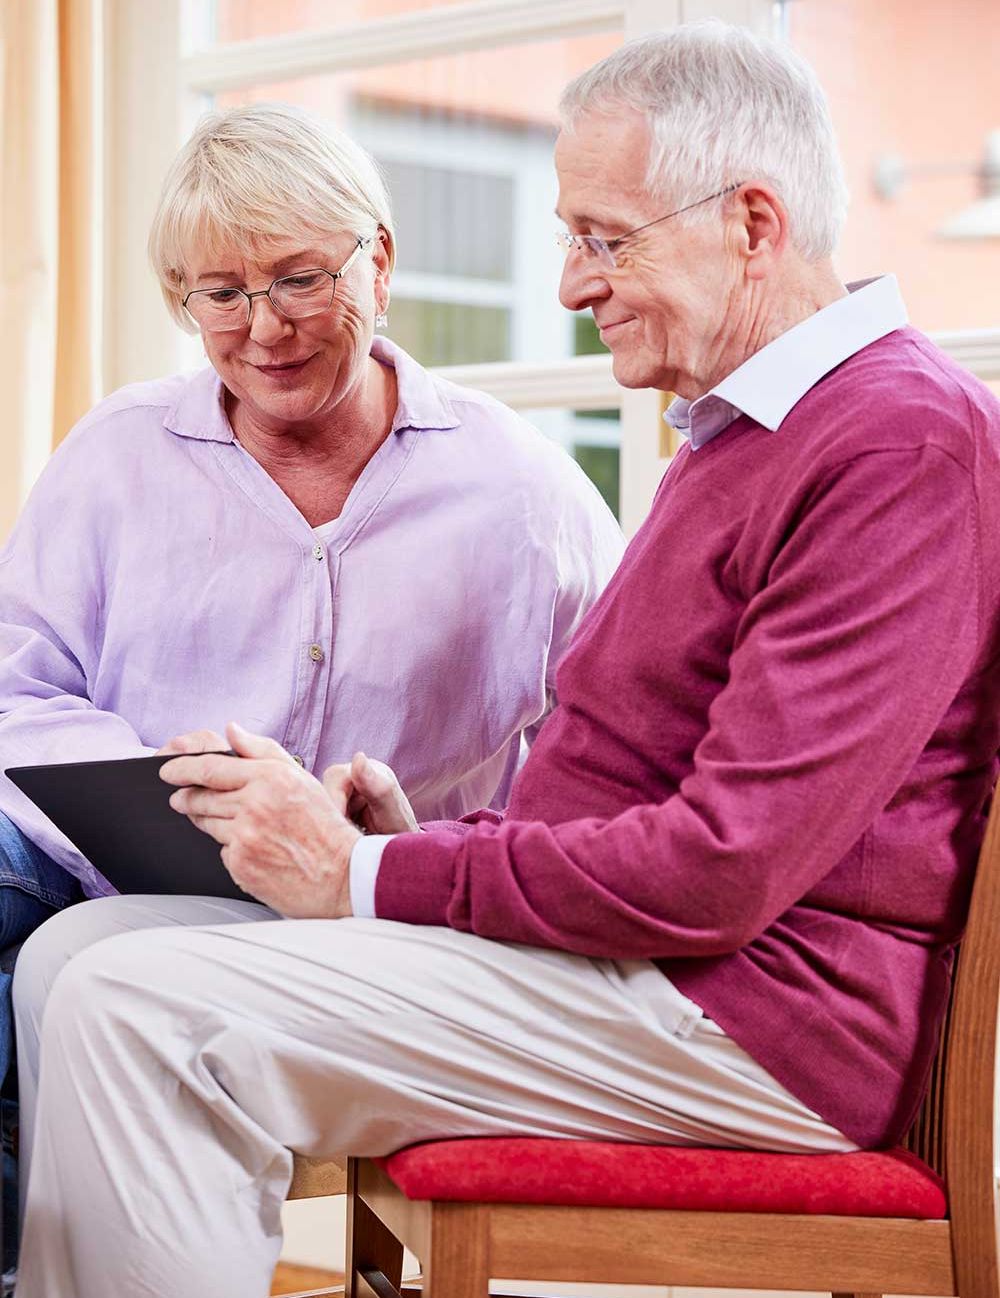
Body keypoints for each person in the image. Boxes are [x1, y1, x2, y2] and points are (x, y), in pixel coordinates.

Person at [14, 20, 1000, 1297]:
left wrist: (371, 868)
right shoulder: (749, 435)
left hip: (748, 1016)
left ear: (753, 223)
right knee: (75, 957)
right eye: (571, 240)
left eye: (605, 238)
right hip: (650, 975)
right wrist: (422, 834)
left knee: (139, 1013)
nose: (572, 287)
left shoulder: (893, 444)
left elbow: (722, 867)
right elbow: (652, 793)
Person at [0, 103, 623, 1066]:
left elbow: (612, 755)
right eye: (219, 293)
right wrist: (171, 794)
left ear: (377, 261)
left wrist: (451, 876)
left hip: (381, 924)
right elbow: (17, 687)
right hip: (115, 879)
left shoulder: (523, 488)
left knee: (61, 987)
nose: (263, 328)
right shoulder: (117, 456)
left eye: (299, 279)